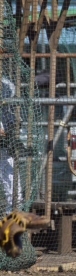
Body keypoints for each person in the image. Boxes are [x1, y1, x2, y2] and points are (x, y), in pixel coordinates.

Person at [1, 76, 18, 213]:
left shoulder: (7, 85)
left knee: (14, 191)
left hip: (4, 147)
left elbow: (11, 116)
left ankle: (11, 218)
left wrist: (11, 128)